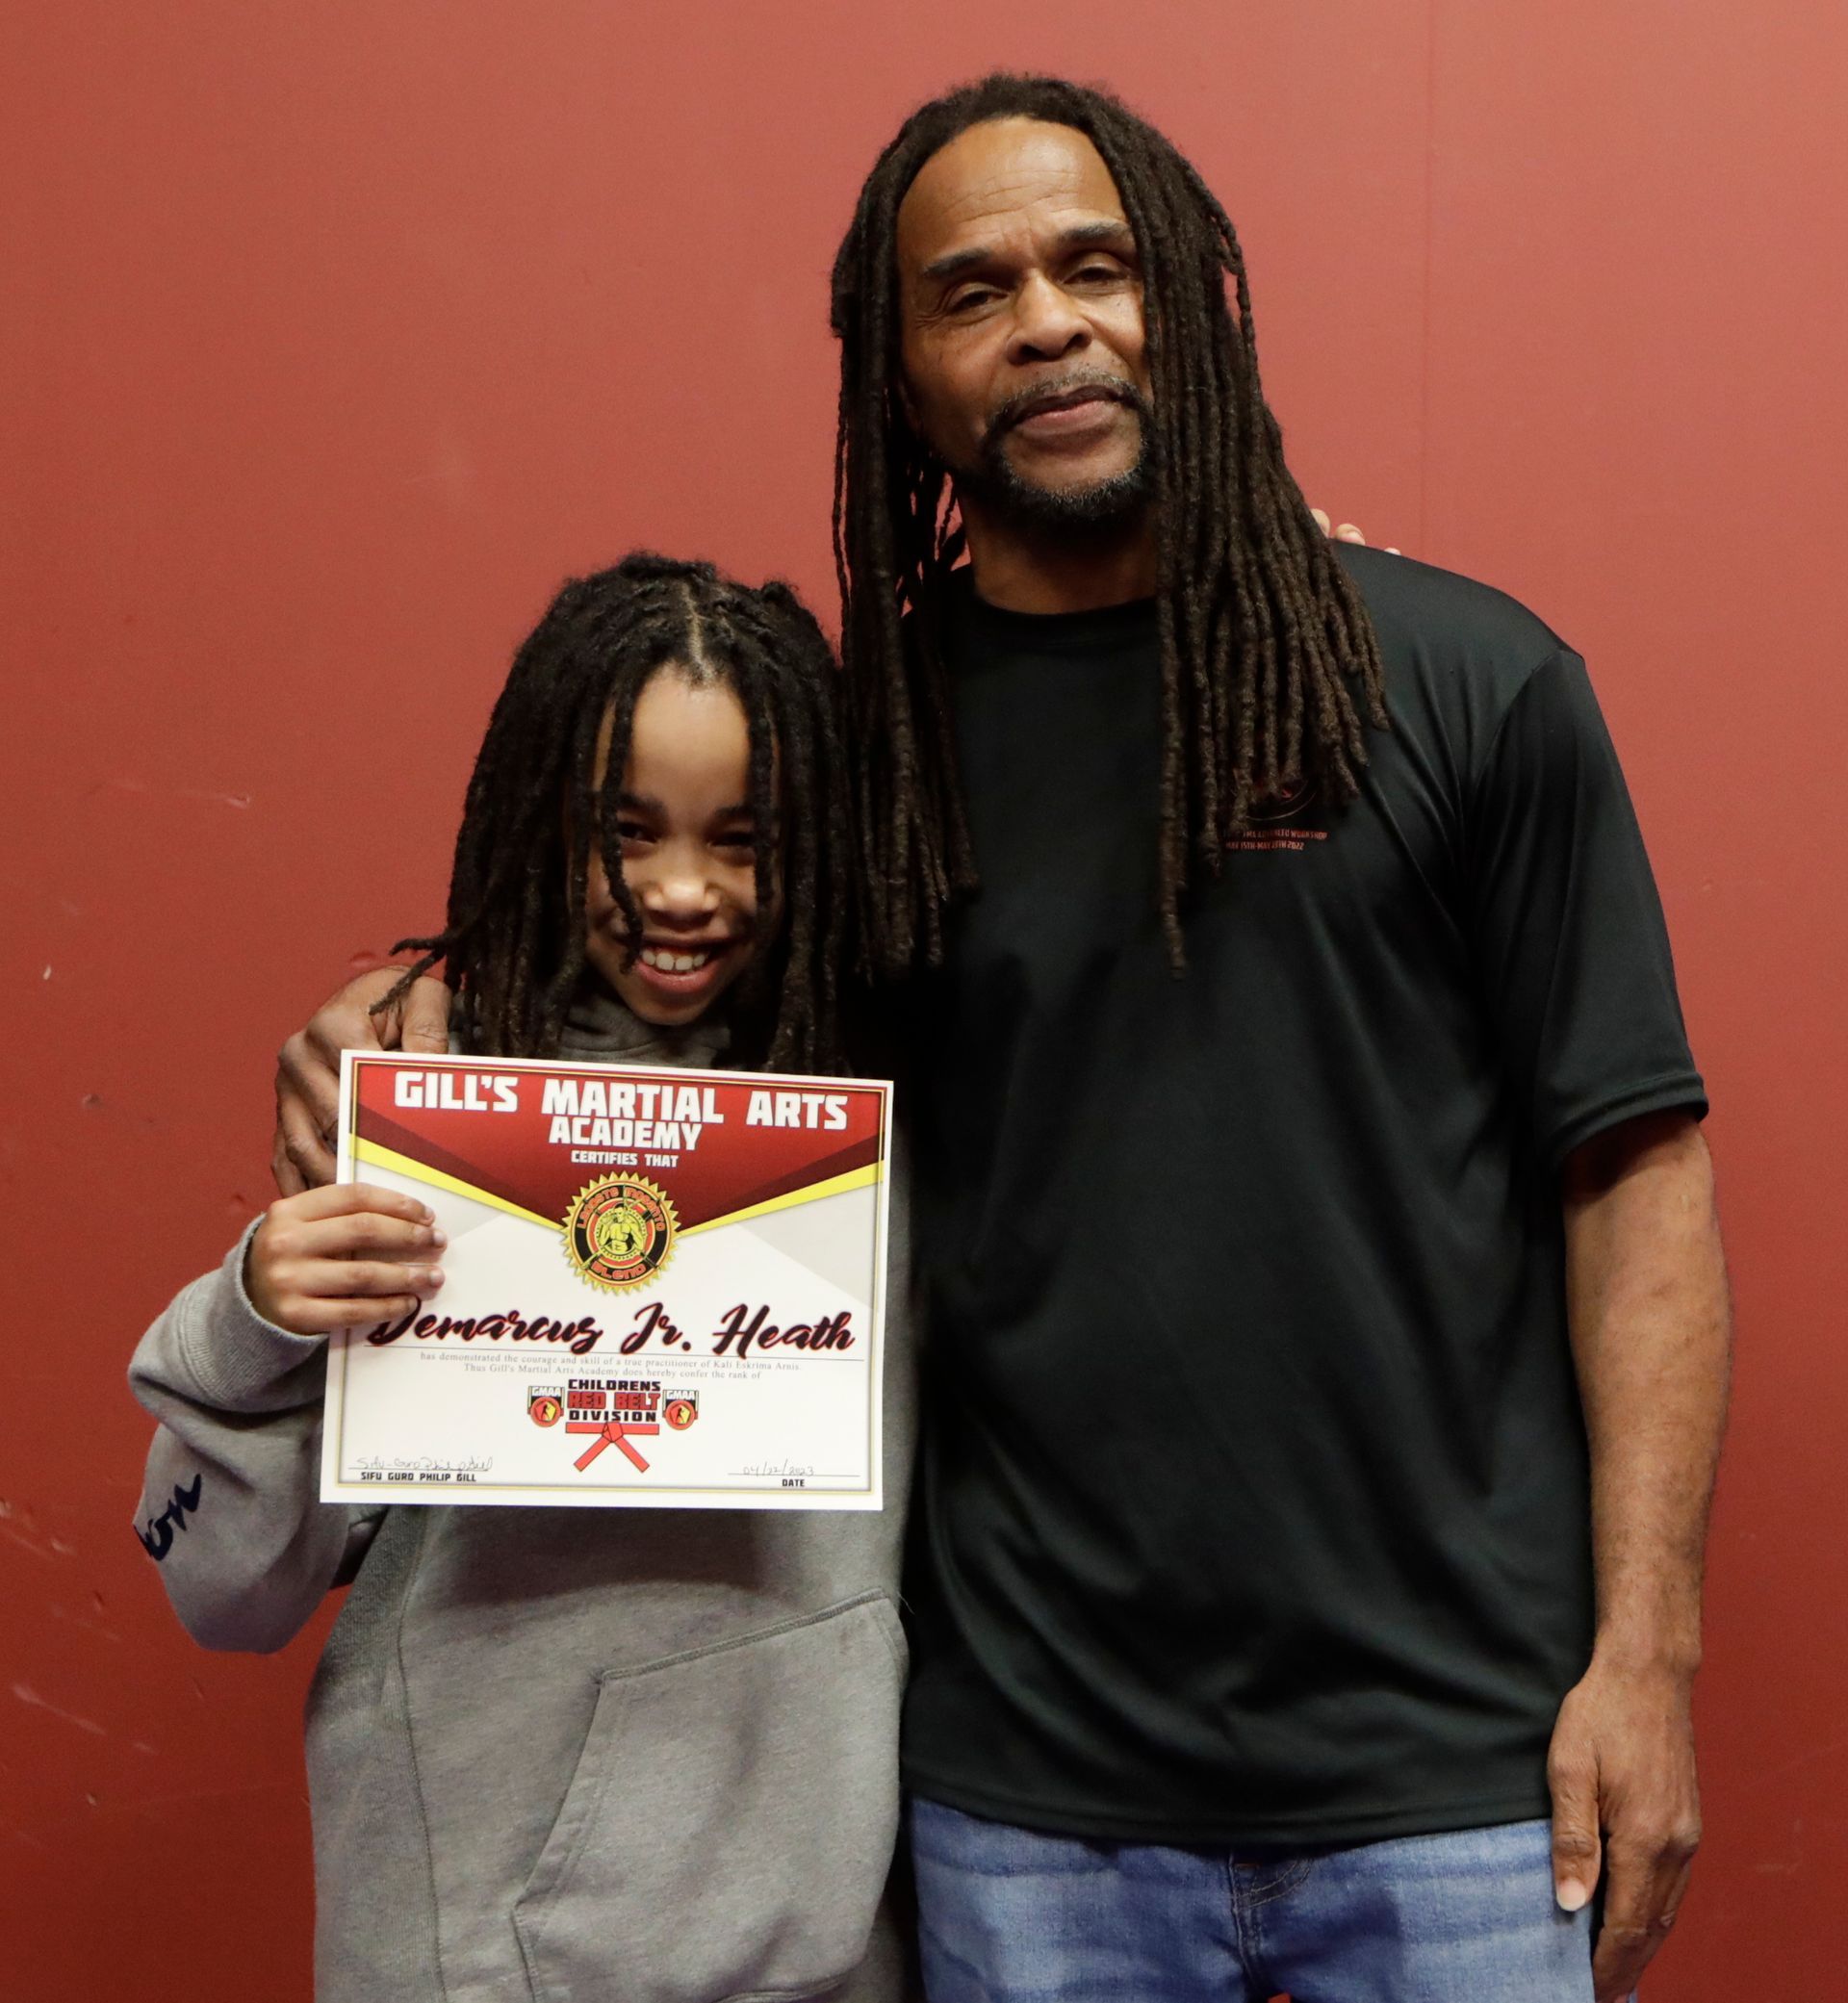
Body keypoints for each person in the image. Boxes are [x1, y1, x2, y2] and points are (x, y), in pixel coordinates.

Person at [275, 73, 1729, 2003]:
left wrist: (1649, 1660)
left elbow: (1636, 1185)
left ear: (1194, 307)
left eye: (1095, 265)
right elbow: (670, 1015)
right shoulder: (857, 760)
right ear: (903, 380)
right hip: (1023, 1805)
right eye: (970, 291)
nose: (1046, 318)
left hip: (1458, 1779)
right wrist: (433, 1016)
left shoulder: (1471, 684)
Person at [129, 554, 919, 2003]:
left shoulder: (888, 1140)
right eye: (627, 832)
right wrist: (258, 1318)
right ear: (535, 827)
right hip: (479, 1963)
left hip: (833, 1959)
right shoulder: (431, 1115)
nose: (683, 890)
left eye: (744, 838)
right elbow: (215, 1586)